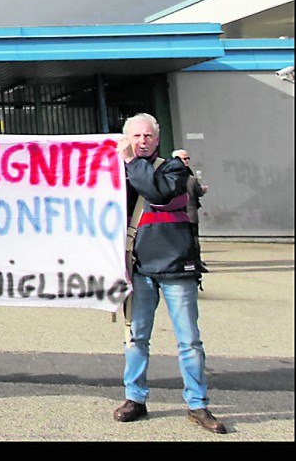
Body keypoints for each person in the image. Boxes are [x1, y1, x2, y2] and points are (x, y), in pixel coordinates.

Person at [113, 113, 225, 434]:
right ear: (128, 139)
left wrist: (131, 161)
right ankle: (135, 398)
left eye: (148, 136)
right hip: (139, 269)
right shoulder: (117, 172)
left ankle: (197, 404)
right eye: (136, 136)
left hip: (177, 267)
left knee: (189, 341)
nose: (142, 141)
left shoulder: (174, 168)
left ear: (157, 140)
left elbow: (157, 191)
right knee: (136, 337)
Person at [172, 149, 208, 261]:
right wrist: (201, 190)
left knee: (193, 239)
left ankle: (195, 261)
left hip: (188, 212)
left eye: (188, 158)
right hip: (179, 213)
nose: (187, 161)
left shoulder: (188, 176)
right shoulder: (187, 178)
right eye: (184, 158)